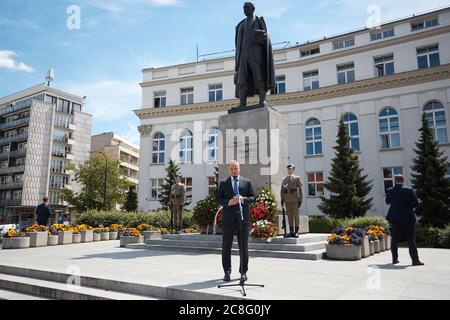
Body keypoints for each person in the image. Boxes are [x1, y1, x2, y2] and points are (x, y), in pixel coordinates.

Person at [216, 161, 256, 284]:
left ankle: (243, 273)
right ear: (229, 170)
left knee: (243, 247)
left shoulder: (246, 182)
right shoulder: (223, 183)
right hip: (228, 220)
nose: (233, 170)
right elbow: (218, 199)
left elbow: (254, 198)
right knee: (226, 247)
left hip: (242, 220)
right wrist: (228, 202)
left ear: (239, 169)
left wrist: (243, 199)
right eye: (231, 168)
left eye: (236, 168)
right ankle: (227, 272)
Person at [234, 2, 275, 107]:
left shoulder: (258, 21)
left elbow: (266, 37)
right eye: (244, 8)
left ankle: (262, 100)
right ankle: (242, 104)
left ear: (252, 9)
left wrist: (263, 36)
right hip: (243, 53)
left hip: (256, 52)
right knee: (241, 79)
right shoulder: (241, 24)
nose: (244, 10)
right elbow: (237, 42)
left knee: (259, 76)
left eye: (246, 8)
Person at [385, 174, 424, 266]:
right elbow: (416, 203)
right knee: (411, 239)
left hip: (394, 218)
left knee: (394, 239)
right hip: (408, 217)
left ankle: (394, 259)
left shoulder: (389, 191)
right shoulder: (409, 190)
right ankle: (415, 261)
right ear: (403, 180)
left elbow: (387, 202)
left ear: (395, 181)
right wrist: (407, 207)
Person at [280, 164, 304, 238]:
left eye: (291, 169)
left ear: (293, 170)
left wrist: (300, 200)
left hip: (294, 199)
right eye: (288, 169)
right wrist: (282, 199)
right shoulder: (284, 179)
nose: (289, 170)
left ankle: (296, 231)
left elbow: (300, 189)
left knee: (296, 216)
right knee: (289, 216)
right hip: (287, 200)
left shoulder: (296, 178)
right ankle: (291, 231)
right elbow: (282, 190)